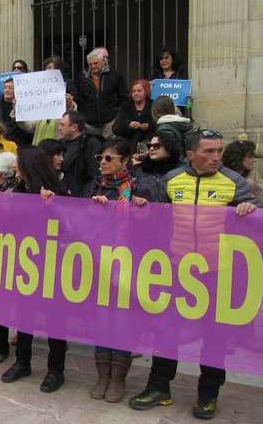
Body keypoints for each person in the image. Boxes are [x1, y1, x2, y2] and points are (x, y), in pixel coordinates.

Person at [129, 129, 259, 420]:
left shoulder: (234, 182)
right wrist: (141, 208)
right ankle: (159, 387)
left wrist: (252, 209)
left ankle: (208, 394)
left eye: (219, 151)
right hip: (178, 270)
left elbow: (256, 222)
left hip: (217, 272)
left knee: (215, 336)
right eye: (209, 151)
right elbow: (156, 217)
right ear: (191, 155)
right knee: (165, 331)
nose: (216, 157)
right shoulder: (172, 179)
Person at [82, 138, 162, 402]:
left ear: (125, 161)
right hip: (99, 261)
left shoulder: (142, 186)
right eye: (100, 159)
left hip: (130, 263)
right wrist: (93, 209)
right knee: (101, 319)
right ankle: (102, 375)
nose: (103, 163)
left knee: (123, 321)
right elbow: (78, 218)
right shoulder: (94, 186)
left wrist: (143, 211)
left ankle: (118, 378)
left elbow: (159, 222)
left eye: (109, 158)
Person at [1, 143, 69, 393]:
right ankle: (22, 362)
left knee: (55, 320)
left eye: (19, 164)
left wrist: (52, 207)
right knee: (24, 316)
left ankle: (56, 370)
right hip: (26, 264)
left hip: (53, 265)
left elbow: (73, 224)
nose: (15, 169)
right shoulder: (19, 190)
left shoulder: (58, 191)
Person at [75, 48, 129, 137]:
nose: (93, 66)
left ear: (104, 61)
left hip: (110, 122)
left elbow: (124, 97)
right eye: (90, 64)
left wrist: (116, 115)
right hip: (89, 124)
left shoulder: (115, 75)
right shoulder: (83, 78)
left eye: (96, 63)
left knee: (108, 148)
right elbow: (80, 99)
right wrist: (84, 116)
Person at [57, 111, 101, 196]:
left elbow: (95, 174)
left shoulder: (90, 144)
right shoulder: (59, 144)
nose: (59, 128)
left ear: (74, 127)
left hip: (82, 195)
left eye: (62, 125)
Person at [0, 78, 35, 146]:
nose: (7, 90)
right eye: (5, 88)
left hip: (18, 145)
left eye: (10, 88)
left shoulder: (24, 105)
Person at [113, 79, 155, 144]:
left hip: (148, 141)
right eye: (134, 91)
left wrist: (149, 126)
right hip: (128, 141)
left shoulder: (154, 105)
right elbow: (116, 128)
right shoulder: (125, 106)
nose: (136, 93)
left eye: (139, 91)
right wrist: (129, 125)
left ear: (146, 91)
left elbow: (159, 125)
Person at [223, 137, 262, 204]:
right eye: (250, 156)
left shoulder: (252, 185)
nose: (254, 160)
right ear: (237, 157)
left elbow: (260, 208)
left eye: (254, 156)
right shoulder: (221, 180)